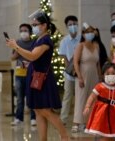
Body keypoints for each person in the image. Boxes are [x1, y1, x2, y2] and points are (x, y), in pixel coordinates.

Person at [6, 12, 69, 141]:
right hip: (35, 76)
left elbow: (33, 55)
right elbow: (35, 59)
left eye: (35, 24)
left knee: (45, 111)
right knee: (38, 110)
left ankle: (65, 136)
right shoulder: (38, 39)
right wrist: (27, 63)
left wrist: (16, 47)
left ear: (44, 25)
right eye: (32, 25)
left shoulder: (46, 40)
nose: (33, 27)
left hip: (42, 79)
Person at [83, 62, 115, 140]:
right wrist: (87, 106)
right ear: (103, 75)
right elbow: (92, 96)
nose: (110, 75)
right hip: (101, 113)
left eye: (113, 73)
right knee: (104, 134)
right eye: (107, 74)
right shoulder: (100, 86)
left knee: (112, 134)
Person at [73, 22, 101, 132]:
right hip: (83, 74)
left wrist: (100, 76)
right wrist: (79, 77)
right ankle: (76, 122)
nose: (90, 34)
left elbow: (98, 63)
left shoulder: (96, 46)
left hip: (94, 74)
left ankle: (88, 122)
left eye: (91, 31)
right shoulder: (80, 45)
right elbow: (75, 62)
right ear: (83, 34)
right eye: (87, 32)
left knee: (92, 98)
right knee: (81, 98)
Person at [10, 23, 36, 126]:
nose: (23, 33)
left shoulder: (34, 43)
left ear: (30, 32)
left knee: (32, 97)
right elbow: (12, 57)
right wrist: (17, 49)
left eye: (25, 30)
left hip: (31, 74)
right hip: (19, 74)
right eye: (21, 31)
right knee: (20, 98)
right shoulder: (17, 42)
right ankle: (18, 118)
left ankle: (33, 118)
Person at [58, 15, 81, 125]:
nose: (73, 26)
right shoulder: (64, 41)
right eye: (70, 25)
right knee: (67, 96)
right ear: (66, 27)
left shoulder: (82, 39)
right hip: (69, 74)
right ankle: (63, 119)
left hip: (81, 74)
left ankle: (80, 120)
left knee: (80, 97)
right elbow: (64, 58)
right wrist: (71, 71)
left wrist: (78, 72)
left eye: (74, 24)